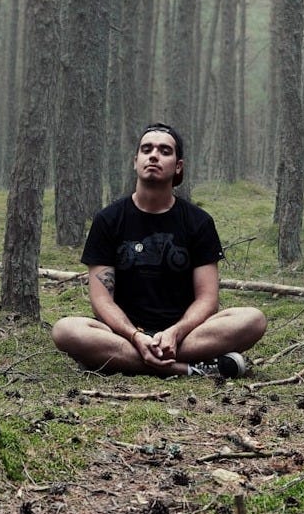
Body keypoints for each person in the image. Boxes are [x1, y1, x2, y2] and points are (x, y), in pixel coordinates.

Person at [52, 123, 266, 378]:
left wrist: (175, 333)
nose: (154, 155)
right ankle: (189, 368)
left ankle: (121, 362)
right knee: (65, 330)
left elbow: (207, 299)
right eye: (147, 149)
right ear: (136, 161)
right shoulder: (108, 220)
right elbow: (101, 300)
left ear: (177, 166)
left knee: (254, 319)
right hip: (125, 334)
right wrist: (136, 336)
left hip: (186, 335)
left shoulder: (198, 222)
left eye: (165, 151)